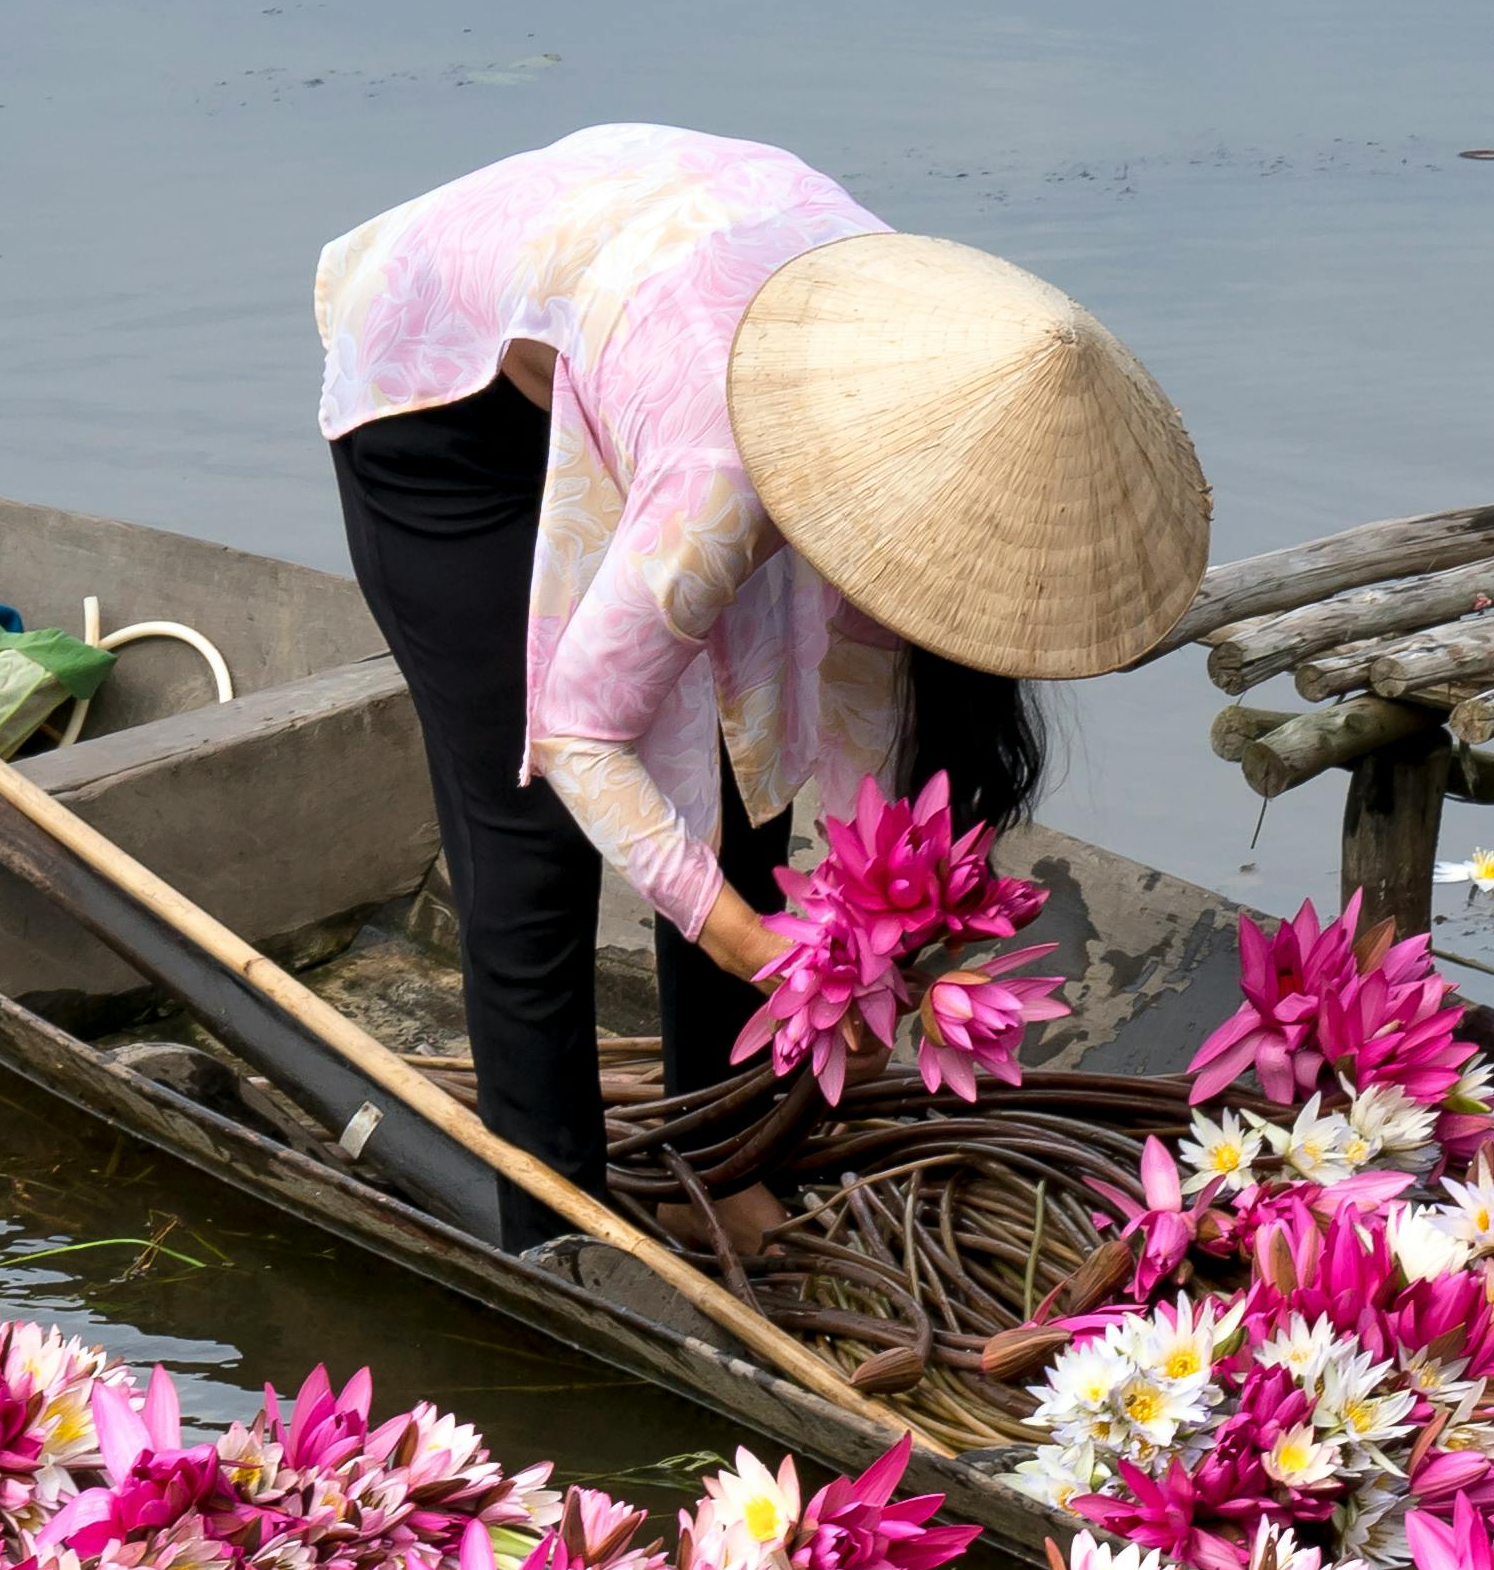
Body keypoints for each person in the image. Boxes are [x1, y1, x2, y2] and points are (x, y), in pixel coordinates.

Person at [315, 123, 1208, 1199]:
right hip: (443, 390)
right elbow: (577, 733)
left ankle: (724, 1160)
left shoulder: (953, 387)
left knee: (753, 764)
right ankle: (551, 1216)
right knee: (529, 819)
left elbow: (850, 713)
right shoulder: (717, 472)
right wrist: (745, 942)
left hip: (678, 296)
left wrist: (883, 938)